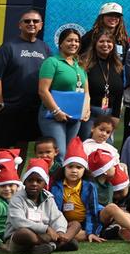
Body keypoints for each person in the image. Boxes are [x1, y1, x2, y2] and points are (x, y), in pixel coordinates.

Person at [0, 9, 51, 150]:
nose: (31, 24)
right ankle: (3, 173)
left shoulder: (44, 48)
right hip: (9, 108)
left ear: (41, 25)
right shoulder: (8, 47)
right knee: (3, 151)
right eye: (27, 21)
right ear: (20, 25)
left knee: (22, 148)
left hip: (32, 108)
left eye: (35, 21)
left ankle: (17, 174)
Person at [36, 25, 90, 159]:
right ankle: (48, 180)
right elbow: (43, 91)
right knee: (59, 154)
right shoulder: (52, 62)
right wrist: (56, 111)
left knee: (70, 155)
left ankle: (62, 181)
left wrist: (86, 110)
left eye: (77, 41)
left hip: (75, 117)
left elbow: (86, 92)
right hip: (53, 116)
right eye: (69, 40)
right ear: (60, 43)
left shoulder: (80, 65)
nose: (74, 44)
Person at [4, 162, 69, 254]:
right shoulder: (16, 199)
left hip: (45, 235)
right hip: (19, 239)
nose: (34, 184)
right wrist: (46, 229)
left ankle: (50, 244)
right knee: (23, 232)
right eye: (30, 180)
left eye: (39, 181)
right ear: (24, 182)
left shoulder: (48, 198)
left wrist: (60, 231)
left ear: (44, 183)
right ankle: (56, 245)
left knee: (75, 224)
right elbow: (18, 222)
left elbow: (57, 217)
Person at [79, 31, 124, 139]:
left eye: (109, 41)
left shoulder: (117, 66)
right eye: (101, 41)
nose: (105, 44)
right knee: (87, 146)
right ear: (95, 44)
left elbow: (119, 93)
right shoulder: (85, 63)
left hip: (109, 115)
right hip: (89, 114)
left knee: (105, 150)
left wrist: (116, 116)